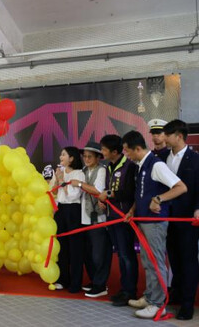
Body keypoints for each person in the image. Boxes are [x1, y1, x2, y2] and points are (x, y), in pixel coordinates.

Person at [121, 131, 187, 319]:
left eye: (127, 151)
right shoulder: (141, 165)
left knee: (156, 261)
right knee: (147, 261)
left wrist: (158, 198)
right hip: (143, 220)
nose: (126, 155)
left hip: (155, 223)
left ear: (138, 149)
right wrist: (133, 210)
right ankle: (150, 297)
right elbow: (142, 193)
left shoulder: (156, 164)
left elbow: (181, 187)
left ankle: (159, 304)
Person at [162, 120, 199, 320]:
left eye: (167, 134)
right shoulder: (161, 158)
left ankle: (187, 303)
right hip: (166, 218)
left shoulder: (195, 159)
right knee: (174, 258)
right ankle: (176, 293)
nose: (164, 138)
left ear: (179, 136)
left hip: (187, 219)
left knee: (188, 261)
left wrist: (197, 208)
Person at [97, 135, 139, 306]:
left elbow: (130, 192)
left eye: (104, 149)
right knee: (121, 255)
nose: (102, 152)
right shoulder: (108, 166)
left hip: (124, 218)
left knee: (127, 255)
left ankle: (130, 292)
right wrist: (103, 200)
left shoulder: (130, 167)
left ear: (115, 151)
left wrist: (109, 194)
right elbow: (108, 189)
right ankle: (124, 289)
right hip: (112, 217)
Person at [69, 142, 112, 298]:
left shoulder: (101, 171)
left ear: (98, 157)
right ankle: (95, 281)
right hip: (84, 218)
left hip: (98, 218)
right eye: (84, 156)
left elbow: (98, 191)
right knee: (88, 253)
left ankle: (101, 285)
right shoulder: (84, 170)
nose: (86, 159)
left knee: (99, 253)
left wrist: (80, 184)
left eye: (90, 156)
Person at [54, 146, 85, 293]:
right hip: (60, 210)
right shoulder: (59, 172)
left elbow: (73, 195)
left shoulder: (79, 174)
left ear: (71, 158)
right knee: (62, 247)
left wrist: (61, 180)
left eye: (64, 154)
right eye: (61, 154)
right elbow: (53, 192)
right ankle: (62, 279)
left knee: (76, 248)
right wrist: (56, 179)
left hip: (73, 210)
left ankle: (76, 282)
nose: (61, 157)